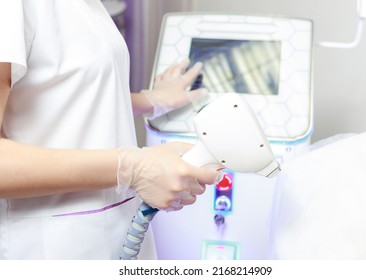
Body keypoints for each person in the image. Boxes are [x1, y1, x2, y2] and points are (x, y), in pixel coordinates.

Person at [0, 0, 219, 259]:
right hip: (55, 246)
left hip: (115, 229)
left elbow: (62, 88)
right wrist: (131, 167)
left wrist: (149, 100)